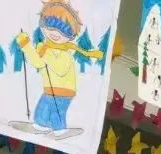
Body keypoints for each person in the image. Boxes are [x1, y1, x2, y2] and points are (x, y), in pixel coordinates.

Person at [11, 1, 104, 140]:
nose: (55, 33)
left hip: (64, 91)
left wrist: (45, 54)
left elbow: (60, 69)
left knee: (56, 112)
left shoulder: (64, 53)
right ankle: (41, 126)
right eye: (50, 26)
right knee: (42, 110)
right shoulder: (46, 48)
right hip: (49, 89)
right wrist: (26, 46)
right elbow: (38, 63)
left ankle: (60, 130)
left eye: (63, 30)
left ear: (70, 35)